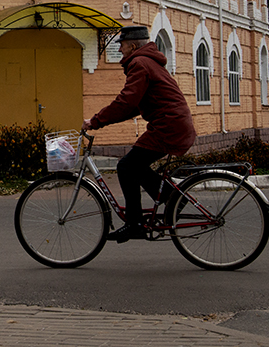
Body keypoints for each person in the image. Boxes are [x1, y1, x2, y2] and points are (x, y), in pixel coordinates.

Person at [82, 25, 196, 243]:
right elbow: (134, 105)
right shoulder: (148, 62)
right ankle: (171, 200)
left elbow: (126, 101)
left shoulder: (139, 63)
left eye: (122, 46)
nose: (120, 50)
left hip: (168, 126)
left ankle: (138, 222)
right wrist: (102, 121)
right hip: (172, 123)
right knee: (134, 166)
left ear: (132, 46)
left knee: (127, 166)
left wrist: (95, 121)